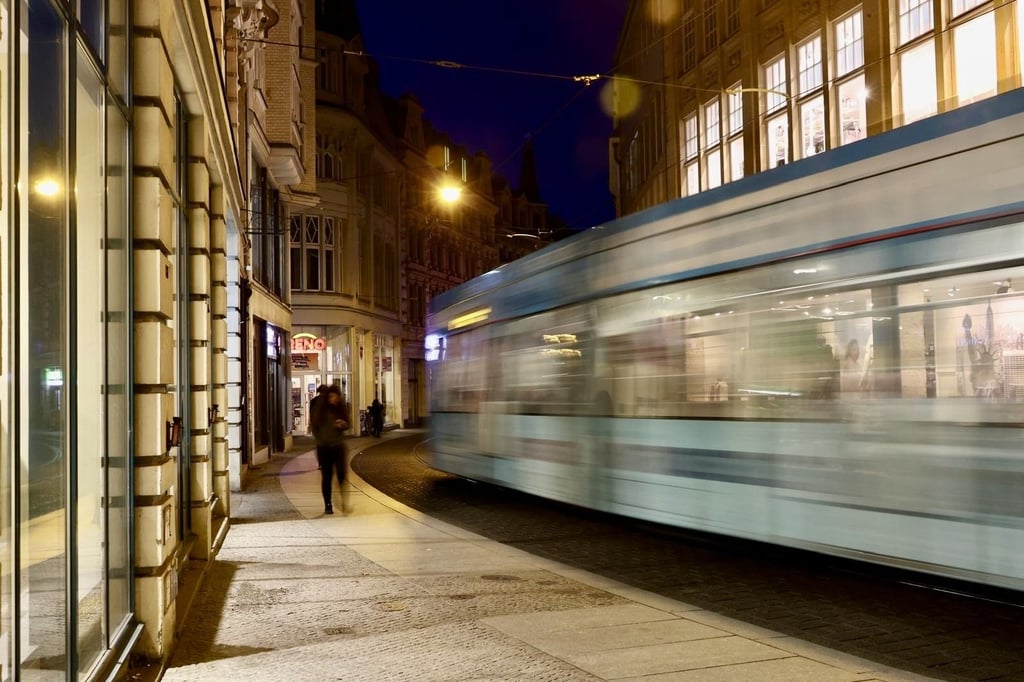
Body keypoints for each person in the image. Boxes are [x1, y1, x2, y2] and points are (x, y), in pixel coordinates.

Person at [310, 384, 350, 514]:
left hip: (338, 446)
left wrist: (343, 425)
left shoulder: (341, 409)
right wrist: (321, 440)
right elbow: (314, 427)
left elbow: (347, 424)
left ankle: (344, 502)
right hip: (324, 448)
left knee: (342, 475)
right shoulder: (320, 410)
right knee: (326, 477)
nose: (333, 399)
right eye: (331, 396)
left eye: (336, 396)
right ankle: (328, 504)